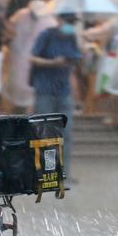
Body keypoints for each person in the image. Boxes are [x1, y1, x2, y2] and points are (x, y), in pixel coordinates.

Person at [30, 14, 82, 180]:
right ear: (59, 21)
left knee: (66, 133)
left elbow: (75, 58)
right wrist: (52, 63)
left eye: (73, 23)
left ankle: (63, 172)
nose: (70, 26)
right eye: (68, 22)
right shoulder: (46, 35)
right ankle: (47, 172)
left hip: (64, 90)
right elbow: (32, 58)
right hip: (45, 90)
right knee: (46, 132)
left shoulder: (71, 38)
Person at [5, 0, 56, 113]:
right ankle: (22, 109)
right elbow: (10, 27)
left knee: (28, 82)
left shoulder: (49, 20)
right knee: (20, 81)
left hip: (35, 57)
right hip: (20, 53)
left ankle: (28, 110)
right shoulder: (22, 14)